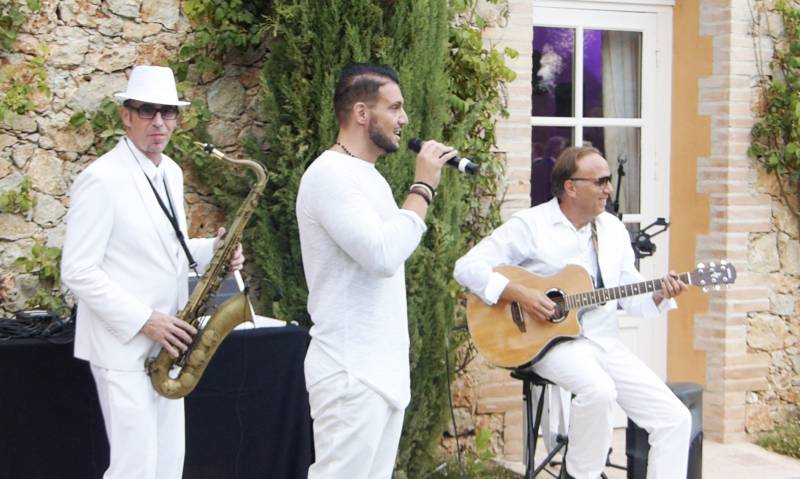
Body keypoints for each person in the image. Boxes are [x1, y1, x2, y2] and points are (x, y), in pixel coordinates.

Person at [454, 146, 692, 479]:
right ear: (571, 187)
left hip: (605, 342)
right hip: (550, 343)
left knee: (675, 418)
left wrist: (657, 295)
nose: (609, 188)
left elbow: (631, 295)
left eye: (608, 180)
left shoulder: (613, 231)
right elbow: (467, 267)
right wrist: (521, 293)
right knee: (599, 390)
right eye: (601, 181)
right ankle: (581, 475)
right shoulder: (532, 224)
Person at [61, 65, 244, 479]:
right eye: (147, 111)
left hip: (168, 345)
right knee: (135, 470)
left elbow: (167, 249)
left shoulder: (171, 172)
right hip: (123, 347)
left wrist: (214, 252)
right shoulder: (100, 179)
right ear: (126, 115)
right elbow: (77, 269)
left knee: (167, 468)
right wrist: (146, 321)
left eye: (168, 112)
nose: (159, 122)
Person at [295, 63, 455, 479]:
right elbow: (383, 255)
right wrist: (423, 186)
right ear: (362, 113)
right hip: (350, 370)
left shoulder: (369, 178)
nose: (404, 120)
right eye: (395, 107)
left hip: (380, 372)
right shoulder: (329, 175)